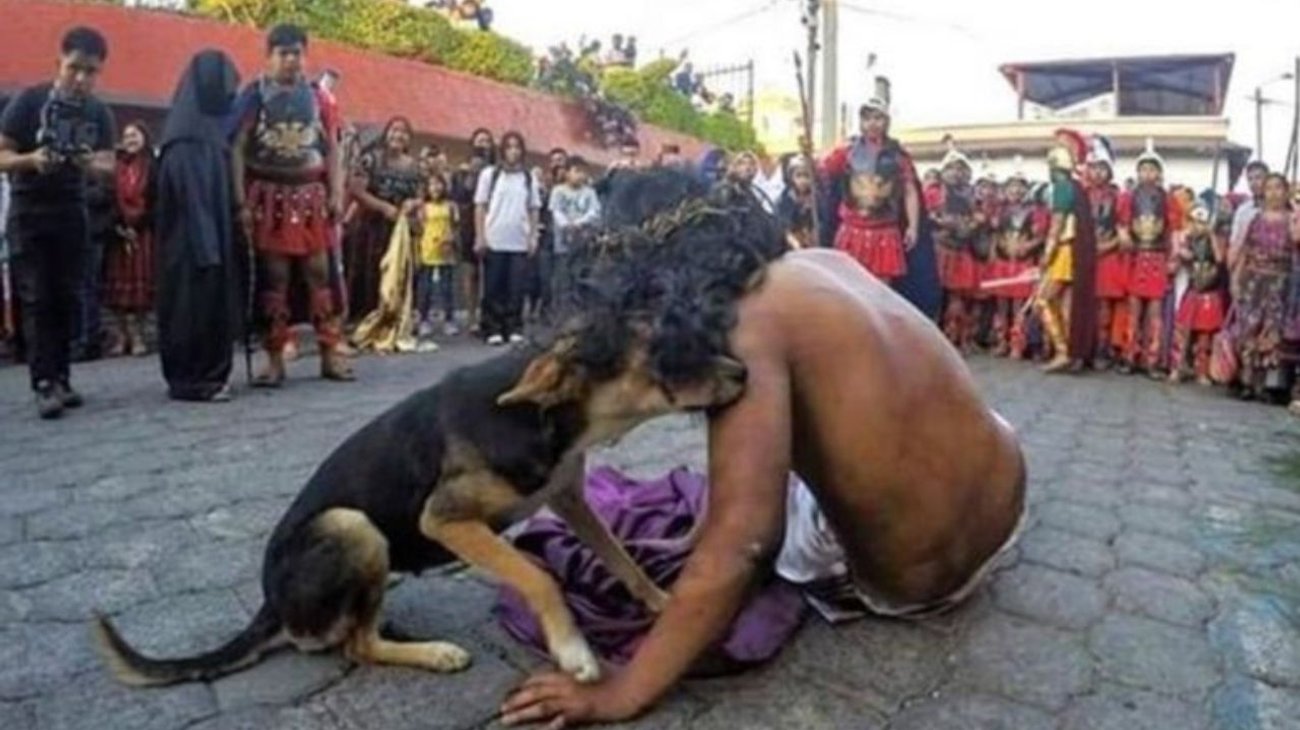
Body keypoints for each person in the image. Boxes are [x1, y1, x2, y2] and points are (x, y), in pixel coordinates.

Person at [498, 168, 1025, 727]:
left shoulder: (746, 328)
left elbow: (745, 544)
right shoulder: (822, 260)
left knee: (747, 511)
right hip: (1008, 492)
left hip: (921, 581)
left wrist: (622, 692)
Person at [0, 26, 117, 419]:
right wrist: (32, 161)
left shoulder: (99, 111)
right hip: (29, 210)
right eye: (74, 69)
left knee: (69, 295)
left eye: (90, 71)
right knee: (36, 298)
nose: (81, 79)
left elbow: (109, 164)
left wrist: (88, 163)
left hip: (72, 209)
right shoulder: (29, 101)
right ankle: (43, 381)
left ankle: (63, 376)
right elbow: (1, 154)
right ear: (59, 63)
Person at [231, 24, 352, 386]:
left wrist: (335, 191)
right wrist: (240, 200)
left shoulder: (320, 98)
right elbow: (237, 146)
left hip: (310, 195)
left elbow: (331, 146)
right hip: (269, 195)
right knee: (275, 277)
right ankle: (276, 359)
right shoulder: (253, 95)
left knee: (320, 274)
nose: (290, 60)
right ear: (269, 56)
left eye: (296, 53)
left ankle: (330, 354)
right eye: (283, 53)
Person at [154, 50, 242, 403]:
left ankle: (206, 376)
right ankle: (194, 380)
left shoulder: (199, 131)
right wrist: (209, 250)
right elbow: (193, 200)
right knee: (192, 309)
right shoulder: (189, 140)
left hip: (204, 244)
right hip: (194, 248)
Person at [819, 96, 920, 286]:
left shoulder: (898, 155)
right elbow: (822, 171)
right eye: (867, 118)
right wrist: (809, 156)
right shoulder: (846, 152)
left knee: (881, 290)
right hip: (852, 230)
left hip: (884, 232)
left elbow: (909, 190)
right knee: (848, 287)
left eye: (877, 118)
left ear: (886, 121)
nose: (872, 123)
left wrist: (913, 226)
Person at [343, 117, 424, 329]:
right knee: (366, 274)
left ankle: (390, 322)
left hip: (398, 230)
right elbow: (356, 190)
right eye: (394, 130)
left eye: (404, 132)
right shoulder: (371, 159)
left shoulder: (414, 166)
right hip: (370, 228)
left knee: (396, 274)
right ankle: (361, 323)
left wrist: (413, 204)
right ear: (386, 134)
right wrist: (383, 207)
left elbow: (420, 196)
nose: (398, 135)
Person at [1033, 128, 1097, 373]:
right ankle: (1075, 353)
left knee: (1043, 300)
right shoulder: (1077, 187)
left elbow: (1057, 224)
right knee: (1067, 304)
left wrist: (1046, 255)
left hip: (1065, 251)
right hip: (1074, 250)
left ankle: (1063, 351)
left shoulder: (1062, 186)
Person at [1229, 173, 1298, 401]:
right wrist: (1235, 279)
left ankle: (1268, 385)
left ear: (1286, 191)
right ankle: (1247, 380)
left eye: (1279, 188)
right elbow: (1245, 251)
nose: (1274, 193)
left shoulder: (1292, 219)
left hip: (1281, 282)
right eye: (1269, 188)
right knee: (1249, 328)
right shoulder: (1255, 219)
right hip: (1254, 281)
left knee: (1273, 331)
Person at [475, 131, 540, 345]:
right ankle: (492, 327)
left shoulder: (529, 178)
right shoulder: (490, 175)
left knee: (516, 287)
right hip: (494, 238)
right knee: (493, 287)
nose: (513, 151)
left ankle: (513, 326)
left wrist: (533, 237)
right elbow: (481, 206)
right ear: (502, 150)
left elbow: (533, 209)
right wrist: (480, 236)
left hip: (519, 241)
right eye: (509, 146)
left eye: (517, 147)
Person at [1116, 140, 1172, 377]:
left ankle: (1152, 360)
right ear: (1137, 172)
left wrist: (1174, 258)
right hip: (1136, 258)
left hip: (1157, 258)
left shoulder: (1168, 198)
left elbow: (1175, 229)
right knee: (1134, 310)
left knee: (1155, 313)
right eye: (1143, 169)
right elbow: (1121, 221)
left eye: (1152, 169)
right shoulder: (1129, 196)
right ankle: (1130, 356)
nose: (1148, 173)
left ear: (1159, 173)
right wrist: (1123, 233)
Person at [104, 121, 155, 357]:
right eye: (126, 136)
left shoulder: (153, 165)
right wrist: (120, 226)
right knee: (117, 290)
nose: (130, 140)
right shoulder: (116, 167)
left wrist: (139, 224)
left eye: (134, 135)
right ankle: (122, 335)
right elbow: (110, 197)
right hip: (119, 233)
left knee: (141, 291)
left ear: (144, 137)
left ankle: (139, 336)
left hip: (144, 233)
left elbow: (156, 198)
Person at [988, 168, 1045, 358]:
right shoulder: (1000, 210)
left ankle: (1017, 343)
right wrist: (993, 254)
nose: (1016, 191)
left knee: (1019, 306)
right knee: (1001, 305)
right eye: (1012, 186)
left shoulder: (1034, 211)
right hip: (1003, 263)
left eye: (1020, 186)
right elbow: (995, 235)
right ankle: (1001, 341)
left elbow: (1040, 236)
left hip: (1023, 264)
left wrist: (1028, 245)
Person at [1168, 198, 1225, 385]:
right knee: (1183, 332)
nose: (1198, 225)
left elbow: (1219, 258)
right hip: (1192, 290)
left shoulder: (1215, 239)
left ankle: (1202, 370)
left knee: (1205, 336)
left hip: (1209, 292)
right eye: (1195, 221)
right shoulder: (1186, 238)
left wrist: (1211, 235)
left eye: (1202, 221)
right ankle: (1177, 367)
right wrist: (1186, 240)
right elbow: (1182, 255)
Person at [932, 147, 980, 351]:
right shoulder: (934, 192)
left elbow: (979, 217)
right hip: (939, 248)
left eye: (961, 168)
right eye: (951, 168)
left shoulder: (972, 195)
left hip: (963, 249)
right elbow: (926, 216)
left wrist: (970, 226)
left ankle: (957, 336)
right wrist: (944, 224)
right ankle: (933, 333)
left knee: (958, 295)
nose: (956, 172)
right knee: (935, 294)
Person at [1087, 136, 1126, 367]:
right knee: (1086, 304)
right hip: (1086, 257)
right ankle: (1087, 347)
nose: (1098, 173)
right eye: (1095, 168)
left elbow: (1123, 230)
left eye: (1103, 169)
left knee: (1105, 306)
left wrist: (1106, 247)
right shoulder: (1082, 195)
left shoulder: (1118, 198)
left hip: (1109, 257)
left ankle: (1104, 349)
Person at [547, 155, 600, 310]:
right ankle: (559, 311)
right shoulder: (558, 191)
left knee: (581, 277)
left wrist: (578, 223)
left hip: (583, 244)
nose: (580, 175)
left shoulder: (590, 192)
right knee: (562, 279)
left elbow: (594, 212)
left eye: (584, 172)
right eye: (577, 171)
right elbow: (555, 211)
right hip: (562, 245)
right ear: (567, 173)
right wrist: (566, 225)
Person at [414, 172, 459, 343]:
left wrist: (451, 240)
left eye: (438, 184)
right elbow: (418, 229)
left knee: (447, 286)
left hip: (446, 249)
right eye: (432, 184)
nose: (435, 187)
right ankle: (424, 319)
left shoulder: (451, 206)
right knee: (425, 287)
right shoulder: (423, 207)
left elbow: (455, 227)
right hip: (427, 248)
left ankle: (449, 319)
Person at [1230, 161, 1269, 264]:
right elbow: (1235, 242)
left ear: (1268, 179)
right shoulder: (1243, 210)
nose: (1254, 183)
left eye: (1258, 178)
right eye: (1250, 179)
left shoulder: (1284, 208)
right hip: (1249, 265)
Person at [775, 155, 816, 250]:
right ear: (791, 177)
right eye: (798, 175)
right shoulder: (784, 200)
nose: (803, 180)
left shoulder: (818, 198)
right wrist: (794, 243)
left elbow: (823, 222)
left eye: (806, 176)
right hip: (791, 247)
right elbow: (782, 227)